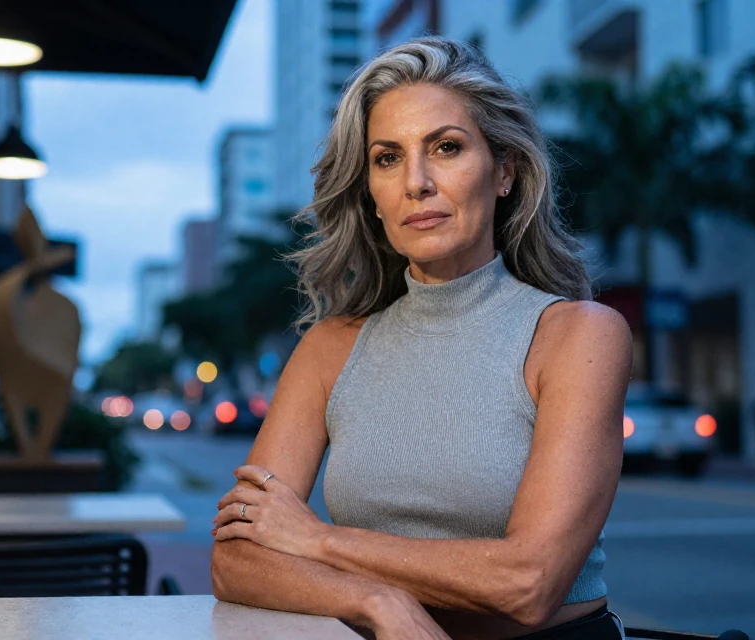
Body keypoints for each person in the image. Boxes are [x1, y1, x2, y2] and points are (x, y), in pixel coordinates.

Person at [210, 37, 633, 640]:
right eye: (387, 158)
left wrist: (316, 539)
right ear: (371, 197)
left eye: (447, 148)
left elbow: (530, 582)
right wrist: (377, 603)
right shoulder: (330, 349)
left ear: (505, 171)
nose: (416, 181)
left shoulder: (578, 336)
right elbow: (235, 559)